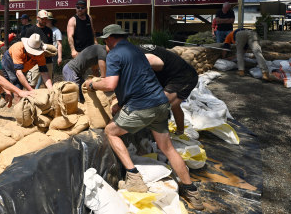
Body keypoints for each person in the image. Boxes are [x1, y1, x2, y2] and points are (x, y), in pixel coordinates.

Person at [83, 24, 204, 210]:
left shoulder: (114, 54)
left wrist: (92, 84)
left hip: (142, 107)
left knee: (111, 131)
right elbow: (136, 79)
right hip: (160, 104)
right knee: (168, 148)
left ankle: (134, 177)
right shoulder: (136, 51)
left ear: (109, 39)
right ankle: (192, 191)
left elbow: (110, 84)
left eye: (105, 42)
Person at [0, 33, 53, 116]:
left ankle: (20, 116)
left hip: (21, 68)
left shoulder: (40, 55)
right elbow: (19, 73)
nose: (35, 55)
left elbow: (44, 73)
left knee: (11, 88)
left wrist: (51, 90)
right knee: (9, 86)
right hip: (8, 62)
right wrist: (31, 91)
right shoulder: (18, 49)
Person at [138, 44, 199, 135]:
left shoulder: (141, 57)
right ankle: (180, 131)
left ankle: (162, 142)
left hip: (183, 77)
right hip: (170, 76)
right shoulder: (135, 50)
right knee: (174, 106)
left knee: (159, 106)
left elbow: (159, 64)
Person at [21, 10, 54, 88]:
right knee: (31, 84)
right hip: (34, 61)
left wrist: (50, 51)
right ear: (37, 18)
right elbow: (26, 45)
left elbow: (51, 45)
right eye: (43, 19)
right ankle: (29, 99)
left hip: (47, 60)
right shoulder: (31, 30)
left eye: (46, 19)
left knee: (49, 84)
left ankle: (48, 99)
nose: (44, 21)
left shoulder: (49, 30)